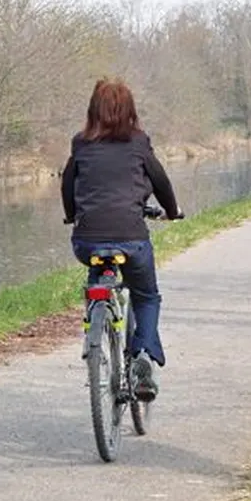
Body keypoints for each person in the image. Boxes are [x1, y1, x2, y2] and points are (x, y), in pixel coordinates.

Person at [61, 78, 182, 401]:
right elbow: (160, 180)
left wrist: (72, 215)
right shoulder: (138, 142)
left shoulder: (80, 143)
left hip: (87, 240)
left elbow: (68, 184)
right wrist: (172, 211)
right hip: (131, 238)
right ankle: (143, 353)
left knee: (96, 276)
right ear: (130, 110)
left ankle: (94, 327)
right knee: (146, 296)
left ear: (93, 110)